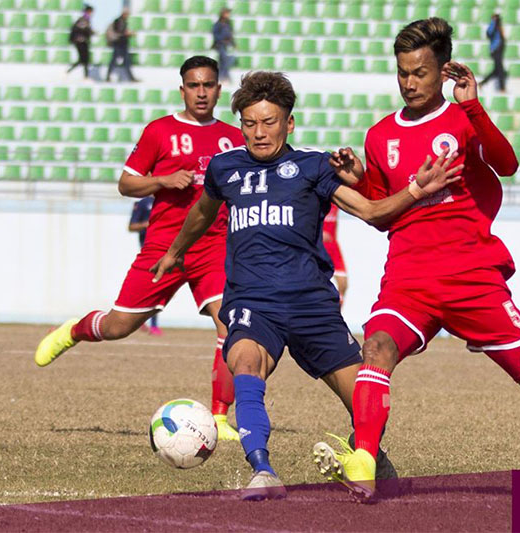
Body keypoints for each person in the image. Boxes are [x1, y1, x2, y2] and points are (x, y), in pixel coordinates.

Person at [313, 17, 520, 501]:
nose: (409, 83)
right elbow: (383, 215)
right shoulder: (380, 134)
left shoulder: (460, 120)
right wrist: (362, 180)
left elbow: (506, 165)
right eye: (402, 72)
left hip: (472, 276)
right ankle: (363, 459)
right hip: (409, 277)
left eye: (420, 73)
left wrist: (474, 108)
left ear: (442, 70)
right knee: (377, 346)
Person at [149, 71, 463, 500]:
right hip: (252, 302)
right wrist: (175, 252)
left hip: (312, 304)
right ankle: (262, 470)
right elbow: (202, 213)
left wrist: (413, 190)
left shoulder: (314, 167)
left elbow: (371, 211)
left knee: (365, 399)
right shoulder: (225, 168)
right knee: (244, 361)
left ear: (289, 123)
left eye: (269, 122)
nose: (259, 133)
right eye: (249, 123)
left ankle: (369, 454)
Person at [35, 56, 243, 442]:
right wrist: (163, 179)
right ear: (182, 89)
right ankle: (74, 331)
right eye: (194, 85)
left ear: (218, 89)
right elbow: (127, 183)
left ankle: (219, 417)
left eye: (208, 85)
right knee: (119, 326)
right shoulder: (160, 131)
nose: (201, 92)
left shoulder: (233, 137)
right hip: (163, 246)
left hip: (214, 245)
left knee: (230, 325)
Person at [128, 196, 161, 335]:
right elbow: (131, 226)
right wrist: (149, 224)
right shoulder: (143, 203)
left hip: (165, 251)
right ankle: (148, 323)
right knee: (152, 287)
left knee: (157, 288)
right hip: (148, 251)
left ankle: (149, 323)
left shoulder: (169, 199)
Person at [322, 204, 348, 306]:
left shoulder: (336, 197)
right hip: (319, 247)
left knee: (343, 285)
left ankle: (337, 316)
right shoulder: (314, 197)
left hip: (333, 246)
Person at [106, 7, 138, 82]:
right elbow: (120, 32)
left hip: (121, 43)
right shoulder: (119, 21)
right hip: (119, 44)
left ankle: (131, 78)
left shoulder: (121, 21)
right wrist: (128, 33)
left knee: (125, 61)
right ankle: (108, 76)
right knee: (115, 61)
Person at [67, 4, 95, 80]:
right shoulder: (84, 19)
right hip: (81, 42)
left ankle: (70, 71)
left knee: (83, 60)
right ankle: (85, 76)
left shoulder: (85, 19)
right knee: (84, 59)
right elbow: (83, 29)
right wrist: (91, 32)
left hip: (83, 41)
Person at [480, 13, 506, 92]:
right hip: (495, 51)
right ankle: (502, 88)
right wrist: (493, 22)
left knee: (497, 70)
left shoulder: (499, 28)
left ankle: (482, 83)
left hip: (499, 51)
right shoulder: (493, 27)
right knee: (500, 70)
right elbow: (489, 33)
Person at [212, 7, 235, 83]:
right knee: (223, 61)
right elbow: (215, 34)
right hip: (220, 45)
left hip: (227, 45)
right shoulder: (218, 24)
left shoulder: (228, 23)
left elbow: (231, 34)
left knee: (226, 61)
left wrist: (233, 43)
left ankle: (224, 77)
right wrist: (222, 39)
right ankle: (222, 77)